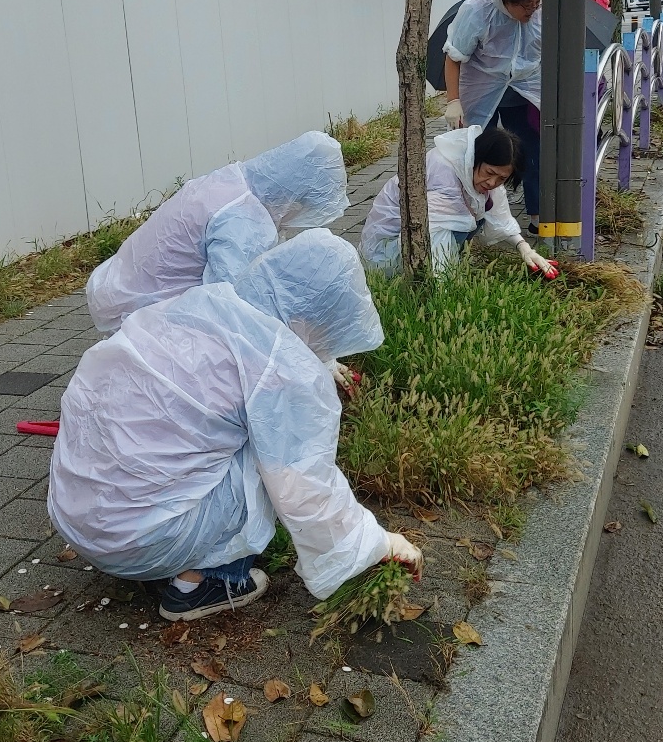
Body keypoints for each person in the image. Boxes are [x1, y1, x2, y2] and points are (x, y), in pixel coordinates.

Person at [48, 231, 421, 622]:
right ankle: (204, 583)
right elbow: (304, 488)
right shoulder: (283, 370)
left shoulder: (195, 307)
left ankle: (170, 546)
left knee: (227, 433)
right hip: (139, 541)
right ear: (320, 316)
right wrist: (377, 542)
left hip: (77, 515)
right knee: (268, 449)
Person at [85, 132, 349, 335]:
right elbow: (233, 306)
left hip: (120, 283)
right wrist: (311, 355)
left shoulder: (234, 181)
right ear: (295, 195)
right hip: (137, 308)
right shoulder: (241, 220)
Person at [360, 124, 557, 277]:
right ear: (476, 158)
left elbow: (500, 216)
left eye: (502, 179)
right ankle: (418, 278)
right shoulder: (444, 174)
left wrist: (524, 248)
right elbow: (434, 233)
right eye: (490, 173)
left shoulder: (475, 171)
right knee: (462, 220)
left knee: (476, 213)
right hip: (387, 252)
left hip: (417, 239)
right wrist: (445, 288)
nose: (492, 182)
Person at [443, 0, 543, 232]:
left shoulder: (540, 13)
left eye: (536, 2)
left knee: (533, 151)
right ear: (506, 0)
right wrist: (454, 101)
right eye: (525, 5)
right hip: (480, 90)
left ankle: (537, 215)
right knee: (474, 154)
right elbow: (454, 57)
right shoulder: (477, 11)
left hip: (524, 92)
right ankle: (473, 217)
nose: (531, 10)